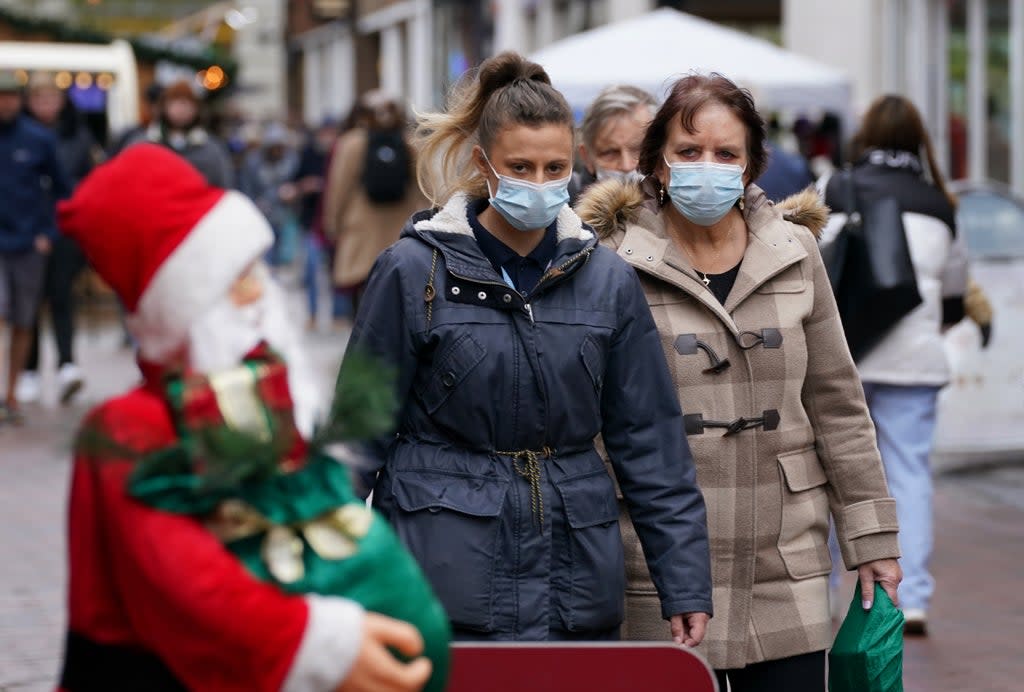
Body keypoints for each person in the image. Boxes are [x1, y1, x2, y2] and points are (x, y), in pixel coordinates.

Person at [334, 52, 713, 644]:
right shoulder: (413, 272)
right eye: (521, 167)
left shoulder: (607, 280)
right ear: (484, 164)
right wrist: (323, 571)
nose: (539, 184)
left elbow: (650, 442)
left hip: (574, 580)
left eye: (554, 167)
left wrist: (684, 583)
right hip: (440, 569)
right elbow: (358, 436)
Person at [56, 143, 444, 692]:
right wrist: (323, 644)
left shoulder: (258, 405)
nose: (259, 294)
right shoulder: (128, 429)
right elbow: (187, 585)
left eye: (255, 269)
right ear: (186, 303)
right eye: (236, 278)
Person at [575, 73, 901, 691]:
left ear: (751, 164)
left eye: (726, 154)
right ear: (658, 163)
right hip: (657, 561)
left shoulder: (795, 251)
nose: (708, 168)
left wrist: (872, 538)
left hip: (784, 557)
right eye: (689, 152)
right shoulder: (610, 258)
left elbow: (838, 404)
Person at [822, 94, 969, 637]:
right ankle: (911, 599)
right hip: (914, 361)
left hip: (844, 357)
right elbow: (954, 294)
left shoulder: (836, 187)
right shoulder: (939, 201)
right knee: (908, 475)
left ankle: (834, 593)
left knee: (835, 475)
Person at [18, 71, 100, 406]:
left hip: (65, 228)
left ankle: (67, 363)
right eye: (38, 99)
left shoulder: (78, 137)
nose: (45, 105)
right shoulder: (18, 135)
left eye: (51, 98)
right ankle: (30, 369)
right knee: (30, 302)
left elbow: (88, 181)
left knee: (62, 295)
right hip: (28, 230)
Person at [0, 70, 70, 426]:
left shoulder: (39, 140)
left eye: (11, 96)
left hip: (28, 243)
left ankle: (11, 393)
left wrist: (49, 233)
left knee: (23, 320)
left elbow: (63, 190)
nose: (5, 102)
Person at [322, 91, 427, 313]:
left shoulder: (351, 143)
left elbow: (339, 188)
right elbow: (426, 187)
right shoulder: (411, 142)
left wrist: (332, 224)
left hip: (361, 230)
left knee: (363, 295)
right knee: (397, 292)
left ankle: (364, 342)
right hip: (399, 230)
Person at [122, 79, 234, 188]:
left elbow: (224, 186)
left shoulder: (211, 149)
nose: (181, 110)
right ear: (164, 107)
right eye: (175, 104)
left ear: (196, 110)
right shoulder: (142, 144)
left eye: (187, 104)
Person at [569, 84, 657, 203]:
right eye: (610, 153)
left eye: (639, 150)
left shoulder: (680, 207)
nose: (626, 166)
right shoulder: (564, 209)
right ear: (587, 157)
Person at [240, 122, 300, 268]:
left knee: (285, 257)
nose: (277, 151)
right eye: (274, 147)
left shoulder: (291, 160)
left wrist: (294, 191)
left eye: (280, 147)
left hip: (285, 215)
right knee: (265, 258)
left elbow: (297, 182)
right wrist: (256, 203)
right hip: (262, 214)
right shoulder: (253, 162)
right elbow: (246, 188)